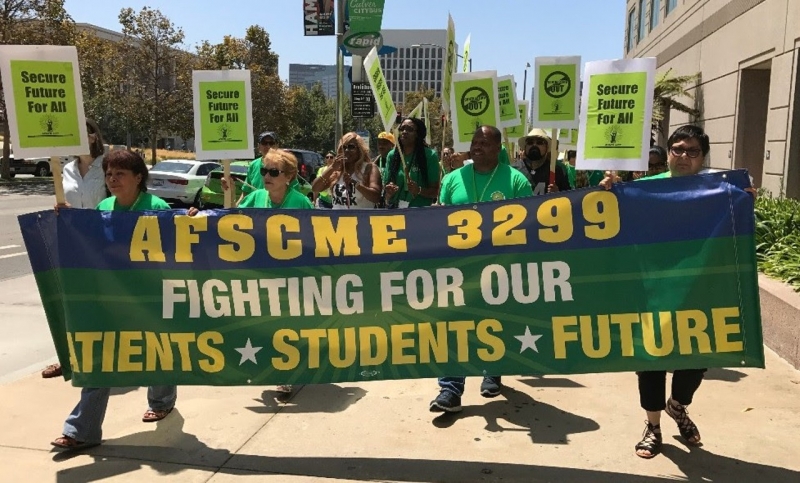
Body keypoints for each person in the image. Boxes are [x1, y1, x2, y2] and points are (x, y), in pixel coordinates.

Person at [600, 125, 752, 459]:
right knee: (650, 359)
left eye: (692, 151)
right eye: (677, 149)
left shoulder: (719, 189)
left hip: (697, 291)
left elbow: (734, 229)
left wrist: (744, 203)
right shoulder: (641, 190)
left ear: (703, 156)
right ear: (667, 151)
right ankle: (653, 427)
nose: (683, 156)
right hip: (650, 290)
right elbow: (611, 218)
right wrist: (609, 192)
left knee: (696, 360)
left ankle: (677, 406)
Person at [51, 150, 176, 451]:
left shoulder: (156, 207)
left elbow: (177, 249)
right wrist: (67, 218)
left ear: (138, 178)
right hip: (110, 297)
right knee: (101, 356)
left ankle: (161, 401)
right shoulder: (104, 206)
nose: (112, 179)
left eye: (120, 173)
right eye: (108, 174)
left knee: (156, 349)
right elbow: (90, 242)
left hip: (150, 297)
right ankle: (82, 429)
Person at [430, 125, 533, 413]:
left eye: (484, 142)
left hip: (499, 268)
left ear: (499, 147)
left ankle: (493, 369)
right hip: (458, 267)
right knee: (455, 324)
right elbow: (440, 221)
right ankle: (450, 389)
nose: (477, 147)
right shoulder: (452, 179)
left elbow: (530, 225)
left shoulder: (516, 181)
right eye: (474, 141)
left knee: (494, 321)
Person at [42, 118, 109, 380]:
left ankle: (104, 354)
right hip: (71, 241)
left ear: (93, 136)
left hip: (102, 242)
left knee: (100, 300)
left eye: (82, 133)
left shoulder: (107, 165)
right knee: (69, 300)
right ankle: (67, 356)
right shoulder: (64, 168)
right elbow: (66, 199)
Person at [313, 132, 382, 209]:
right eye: (344, 147)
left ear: (359, 149)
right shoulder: (337, 171)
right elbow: (315, 188)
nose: (346, 150)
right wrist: (331, 168)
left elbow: (376, 197)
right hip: (338, 219)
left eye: (351, 147)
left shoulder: (369, 168)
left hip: (361, 219)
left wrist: (355, 184)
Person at [383, 117, 440, 208]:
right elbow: (386, 187)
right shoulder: (392, 155)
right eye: (402, 129)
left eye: (410, 129)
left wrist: (419, 190)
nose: (404, 132)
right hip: (396, 212)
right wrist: (389, 190)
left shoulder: (429, 156)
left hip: (419, 213)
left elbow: (435, 192)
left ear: (418, 134)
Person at [238, 149, 314, 210]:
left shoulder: (302, 203)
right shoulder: (255, 197)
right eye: (264, 171)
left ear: (288, 177)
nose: (267, 176)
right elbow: (234, 219)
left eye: (274, 172)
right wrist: (230, 194)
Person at [222, 130, 277, 204]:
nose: (268, 146)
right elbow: (246, 193)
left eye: (271, 143)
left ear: (277, 146)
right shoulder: (253, 165)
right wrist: (235, 208)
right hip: (255, 212)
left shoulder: (285, 165)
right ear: (259, 147)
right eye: (264, 143)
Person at [513, 128, 571, 194]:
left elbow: (568, 199)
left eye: (539, 142)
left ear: (546, 147)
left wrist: (557, 193)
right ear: (525, 147)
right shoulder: (514, 170)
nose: (534, 145)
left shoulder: (556, 171)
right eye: (530, 142)